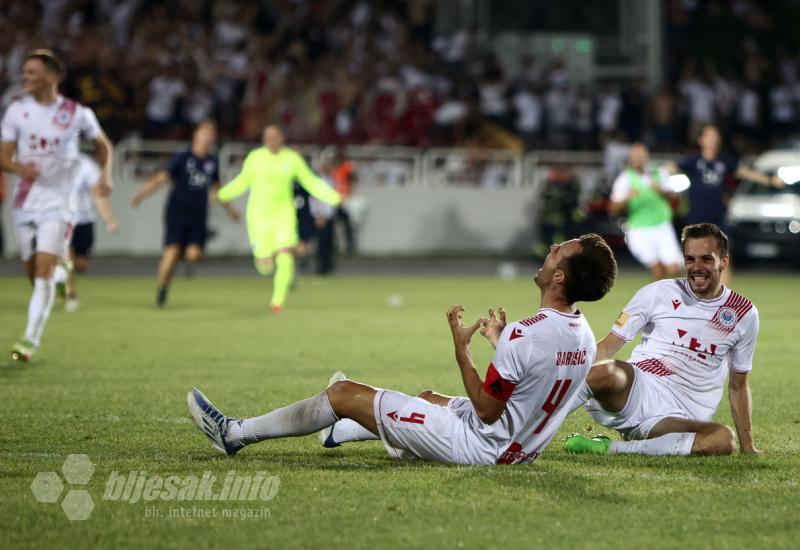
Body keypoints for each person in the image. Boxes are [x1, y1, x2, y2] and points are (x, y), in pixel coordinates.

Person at [186, 234, 618, 465]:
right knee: (428, 398)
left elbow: (487, 409)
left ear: (559, 278)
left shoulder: (527, 333)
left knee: (342, 394)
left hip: (481, 445)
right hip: (522, 446)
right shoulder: (580, 333)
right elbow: (537, 378)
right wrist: (501, 343)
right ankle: (341, 430)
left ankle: (234, 434)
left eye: (558, 252)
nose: (550, 251)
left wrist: (462, 351)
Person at [566, 223, 760, 457]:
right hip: (638, 390)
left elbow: (738, 385)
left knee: (723, 440)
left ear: (724, 262)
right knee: (603, 372)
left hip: (679, 416)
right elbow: (606, 348)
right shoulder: (656, 293)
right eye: (690, 259)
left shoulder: (743, 313)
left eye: (706, 259)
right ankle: (531, 431)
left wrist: (748, 447)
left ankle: (610, 448)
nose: (697, 268)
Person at [0, 49, 113, 362]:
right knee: (31, 271)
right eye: (25, 72)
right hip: (26, 201)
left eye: (32, 72)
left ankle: (29, 340)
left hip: (60, 201)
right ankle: (61, 274)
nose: (25, 77)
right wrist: (18, 168)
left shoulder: (77, 113)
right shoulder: (16, 111)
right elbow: (3, 155)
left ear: (52, 76)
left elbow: (103, 145)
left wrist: (106, 174)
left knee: (42, 272)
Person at [215, 125, 341, 313]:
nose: (271, 140)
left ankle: (277, 302)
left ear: (281, 138)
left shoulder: (292, 159)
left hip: (284, 215)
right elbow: (242, 181)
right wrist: (222, 194)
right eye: (268, 137)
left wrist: (334, 197)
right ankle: (265, 262)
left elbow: (310, 182)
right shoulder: (255, 158)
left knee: (285, 254)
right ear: (264, 139)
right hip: (259, 217)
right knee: (265, 265)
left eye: (275, 137)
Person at [130, 120, 239, 307]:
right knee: (171, 254)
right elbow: (161, 178)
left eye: (211, 134)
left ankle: (183, 253)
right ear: (195, 135)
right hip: (177, 213)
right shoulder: (181, 157)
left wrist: (231, 210)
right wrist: (140, 195)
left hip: (198, 216)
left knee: (193, 256)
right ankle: (162, 291)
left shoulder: (212, 162)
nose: (207, 137)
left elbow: (217, 187)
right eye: (204, 133)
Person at [668, 124, 783, 285]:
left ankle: (725, 300)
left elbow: (744, 172)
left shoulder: (723, 161)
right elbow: (671, 168)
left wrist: (770, 181)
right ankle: (690, 297)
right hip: (696, 218)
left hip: (717, 218)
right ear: (701, 140)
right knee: (693, 259)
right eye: (710, 136)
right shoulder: (693, 161)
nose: (714, 140)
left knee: (723, 258)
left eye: (716, 136)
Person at [53, 153, 119, 312]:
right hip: (62, 218)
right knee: (67, 256)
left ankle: (60, 276)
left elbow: (97, 195)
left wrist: (109, 218)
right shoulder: (53, 163)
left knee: (81, 265)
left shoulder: (86, 165)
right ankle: (70, 294)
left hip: (84, 220)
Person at [609, 142, 683, 280]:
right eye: (635, 155)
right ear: (630, 158)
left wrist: (660, 190)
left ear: (646, 156)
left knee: (674, 268)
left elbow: (675, 195)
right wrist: (627, 199)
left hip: (662, 226)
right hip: (640, 229)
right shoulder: (625, 179)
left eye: (640, 155)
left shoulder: (658, 173)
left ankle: (676, 295)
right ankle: (664, 299)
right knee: (656, 267)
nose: (638, 158)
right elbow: (612, 206)